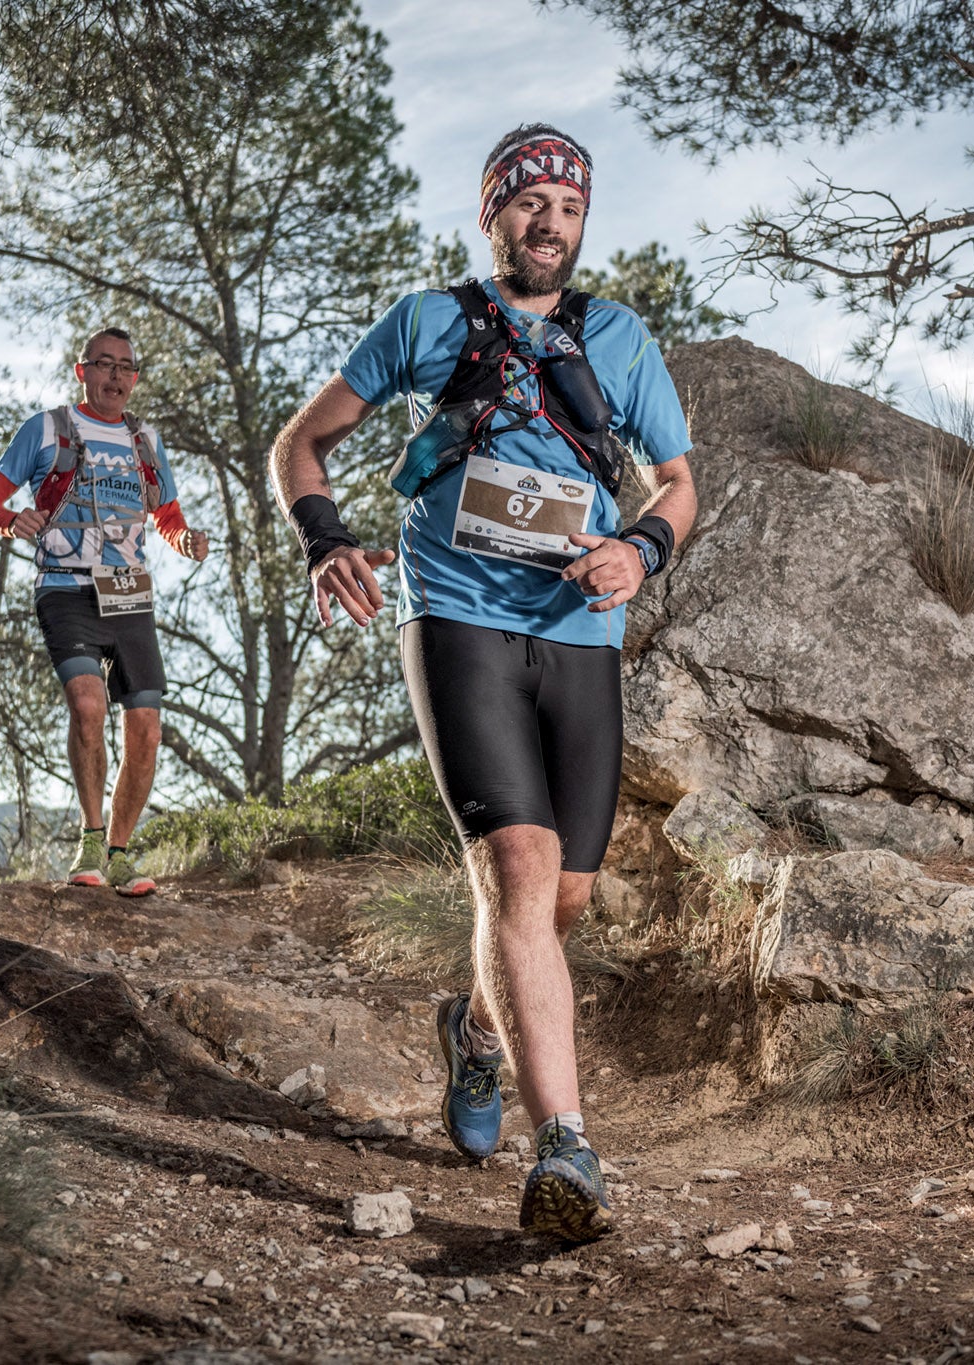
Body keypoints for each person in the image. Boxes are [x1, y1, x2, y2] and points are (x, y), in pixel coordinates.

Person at [271, 124, 696, 1242]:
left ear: (582, 223)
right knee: (516, 869)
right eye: (527, 202)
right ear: (491, 214)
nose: (547, 220)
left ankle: (472, 1030)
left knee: (563, 901)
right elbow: (298, 447)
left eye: (566, 205)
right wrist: (326, 541)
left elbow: (678, 486)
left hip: (580, 635)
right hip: (455, 616)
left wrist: (638, 551)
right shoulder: (424, 322)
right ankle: (566, 1146)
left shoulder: (621, 338)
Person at [0, 328, 210, 895]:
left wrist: (185, 542)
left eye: (127, 367)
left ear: (135, 377)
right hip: (65, 588)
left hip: (128, 594)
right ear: (83, 372)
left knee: (146, 730)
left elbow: (167, 518)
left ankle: (121, 854)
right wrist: (11, 520)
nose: (116, 376)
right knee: (87, 704)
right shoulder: (48, 429)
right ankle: (90, 840)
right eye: (104, 364)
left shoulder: (145, 441)